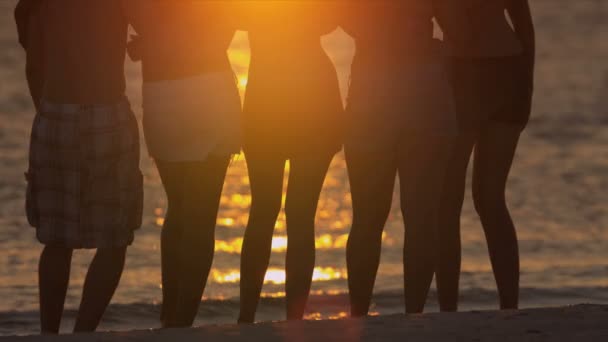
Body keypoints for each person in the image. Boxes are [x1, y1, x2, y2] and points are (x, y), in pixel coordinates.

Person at [17, 0, 143, 333]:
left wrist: (47, 114)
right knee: (115, 238)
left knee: (57, 240)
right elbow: (154, 26)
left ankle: (49, 334)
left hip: (57, 112)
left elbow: (34, 66)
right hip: (108, 112)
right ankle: (84, 333)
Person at [123, 1, 241, 328]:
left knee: (178, 207)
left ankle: (169, 316)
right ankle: (182, 321)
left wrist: (155, 40)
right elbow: (224, 30)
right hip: (208, 91)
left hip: (162, 95)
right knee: (200, 218)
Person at [340, 1, 458, 316]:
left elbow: (335, 18)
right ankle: (413, 314)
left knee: (367, 217)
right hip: (422, 83)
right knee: (420, 216)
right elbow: (461, 25)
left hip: (372, 84)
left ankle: (360, 313)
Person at [237, 2, 343, 323]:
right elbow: (334, 20)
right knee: (297, 214)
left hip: (273, 97)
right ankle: (289, 317)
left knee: (267, 210)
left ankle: (249, 317)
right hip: (304, 97)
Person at [433, 0, 536, 311]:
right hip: (511, 71)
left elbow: (461, 33)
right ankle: (509, 305)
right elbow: (525, 26)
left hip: (466, 75)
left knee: (447, 203)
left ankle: (448, 309)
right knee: (491, 200)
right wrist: (527, 86)